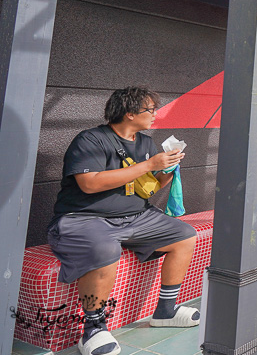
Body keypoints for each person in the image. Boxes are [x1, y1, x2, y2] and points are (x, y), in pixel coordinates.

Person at [47, 87, 198, 355]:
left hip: (136, 216)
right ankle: (93, 328)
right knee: (105, 248)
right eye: (150, 109)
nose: (155, 114)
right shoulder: (90, 140)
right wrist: (149, 165)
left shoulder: (145, 143)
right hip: (83, 218)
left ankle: (165, 311)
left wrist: (167, 170)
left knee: (185, 234)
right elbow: (89, 184)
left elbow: (147, 189)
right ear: (129, 113)